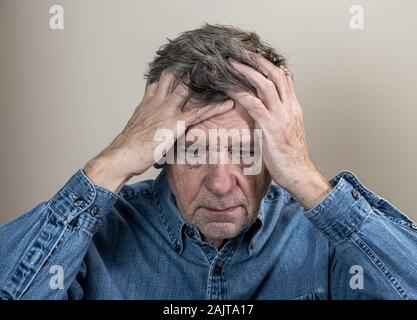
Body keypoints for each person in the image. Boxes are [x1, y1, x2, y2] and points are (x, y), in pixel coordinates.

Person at [1, 23, 416, 300]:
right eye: (194, 150)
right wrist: (114, 161)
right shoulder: (92, 241)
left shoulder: (324, 240)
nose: (220, 183)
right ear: (159, 150)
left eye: (244, 152)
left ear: (276, 152)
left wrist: (306, 178)